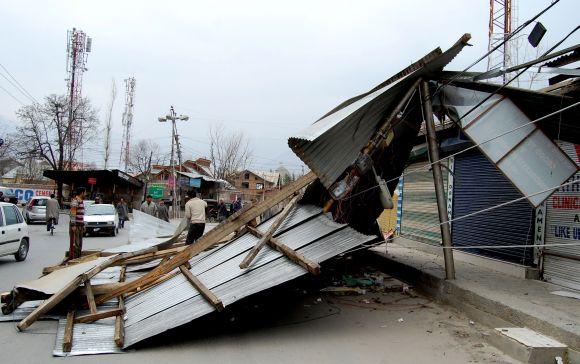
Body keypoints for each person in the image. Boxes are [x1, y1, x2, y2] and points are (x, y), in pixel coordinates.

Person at [69, 187, 86, 260]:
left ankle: (78, 259)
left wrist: (83, 225)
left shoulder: (81, 201)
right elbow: (72, 214)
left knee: (79, 245)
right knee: (75, 245)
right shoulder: (75, 201)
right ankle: (74, 260)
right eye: (85, 192)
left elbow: (81, 215)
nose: (86, 194)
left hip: (80, 226)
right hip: (76, 226)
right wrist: (73, 225)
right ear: (82, 193)